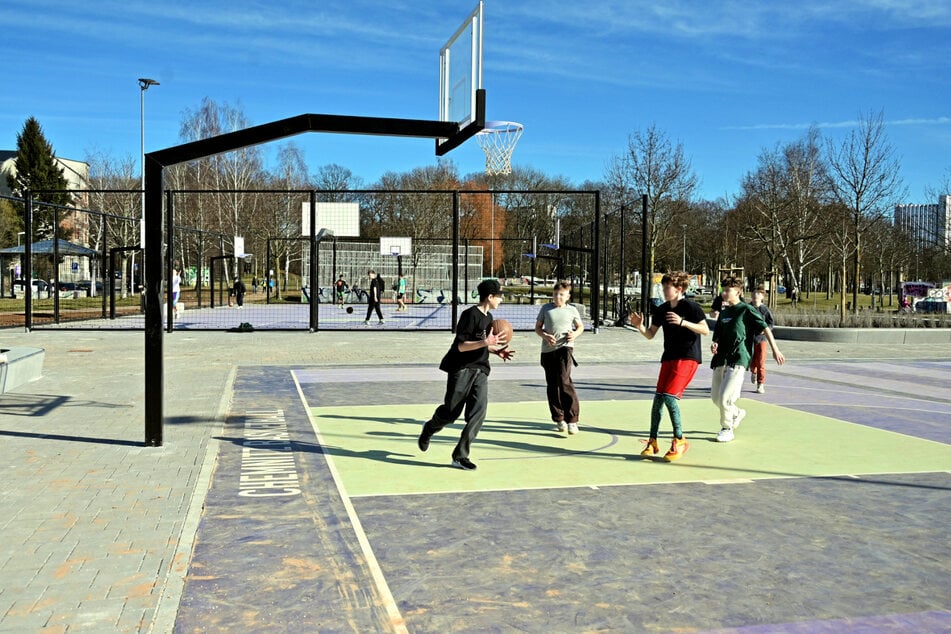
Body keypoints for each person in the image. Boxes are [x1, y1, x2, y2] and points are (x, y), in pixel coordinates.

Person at [417, 279, 514, 470]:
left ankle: (460, 456)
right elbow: (462, 346)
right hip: (461, 368)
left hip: (481, 370)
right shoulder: (470, 315)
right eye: (500, 296)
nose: (501, 300)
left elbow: (482, 342)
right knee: (450, 413)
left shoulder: (489, 318)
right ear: (490, 296)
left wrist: (495, 350)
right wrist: (486, 343)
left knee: (478, 413)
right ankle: (429, 428)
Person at [628, 271, 709, 461]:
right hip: (669, 357)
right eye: (663, 287)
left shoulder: (691, 307)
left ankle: (680, 440)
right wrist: (639, 326)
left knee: (670, 397)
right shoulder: (662, 309)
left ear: (679, 289)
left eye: (667, 287)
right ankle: (653, 442)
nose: (664, 290)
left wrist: (683, 322)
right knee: (658, 399)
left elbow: (705, 330)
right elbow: (650, 334)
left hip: (688, 357)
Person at [710, 276, 786, 442]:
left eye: (728, 290)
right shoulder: (724, 313)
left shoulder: (746, 309)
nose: (724, 293)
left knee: (724, 398)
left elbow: (765, 328)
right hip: (721, 358)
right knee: (715, 398)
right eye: (723, 290)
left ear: (738, 292)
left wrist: (775, 350)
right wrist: (715, 343)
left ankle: (727, 428)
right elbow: (718, 335)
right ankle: (737, 413)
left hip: (739, 358)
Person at [535, 281, 585, 435]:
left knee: (564, 381)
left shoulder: (572, 310)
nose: (558, 296)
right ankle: (559, 417)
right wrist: (545, 335)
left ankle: (572, 420)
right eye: (555, 294)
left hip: (565, 348)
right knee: (552, 384)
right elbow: (538, 328)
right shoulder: (546, 308)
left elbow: (580, 327)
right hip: (548, 351)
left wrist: (574, 334)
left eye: (561, 294)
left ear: (568, 296)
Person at [749, 287, 774, 394]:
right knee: (751, 361)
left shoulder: (765, 310)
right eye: (754, 293)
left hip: (761, 339)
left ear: (762, 297)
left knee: (761, 362)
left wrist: (765, 330)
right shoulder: (747, 308)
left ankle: (760, 384)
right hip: (749, 339)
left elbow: (770, 323)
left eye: (758, 294)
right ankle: (753, 371)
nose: (756, 296)